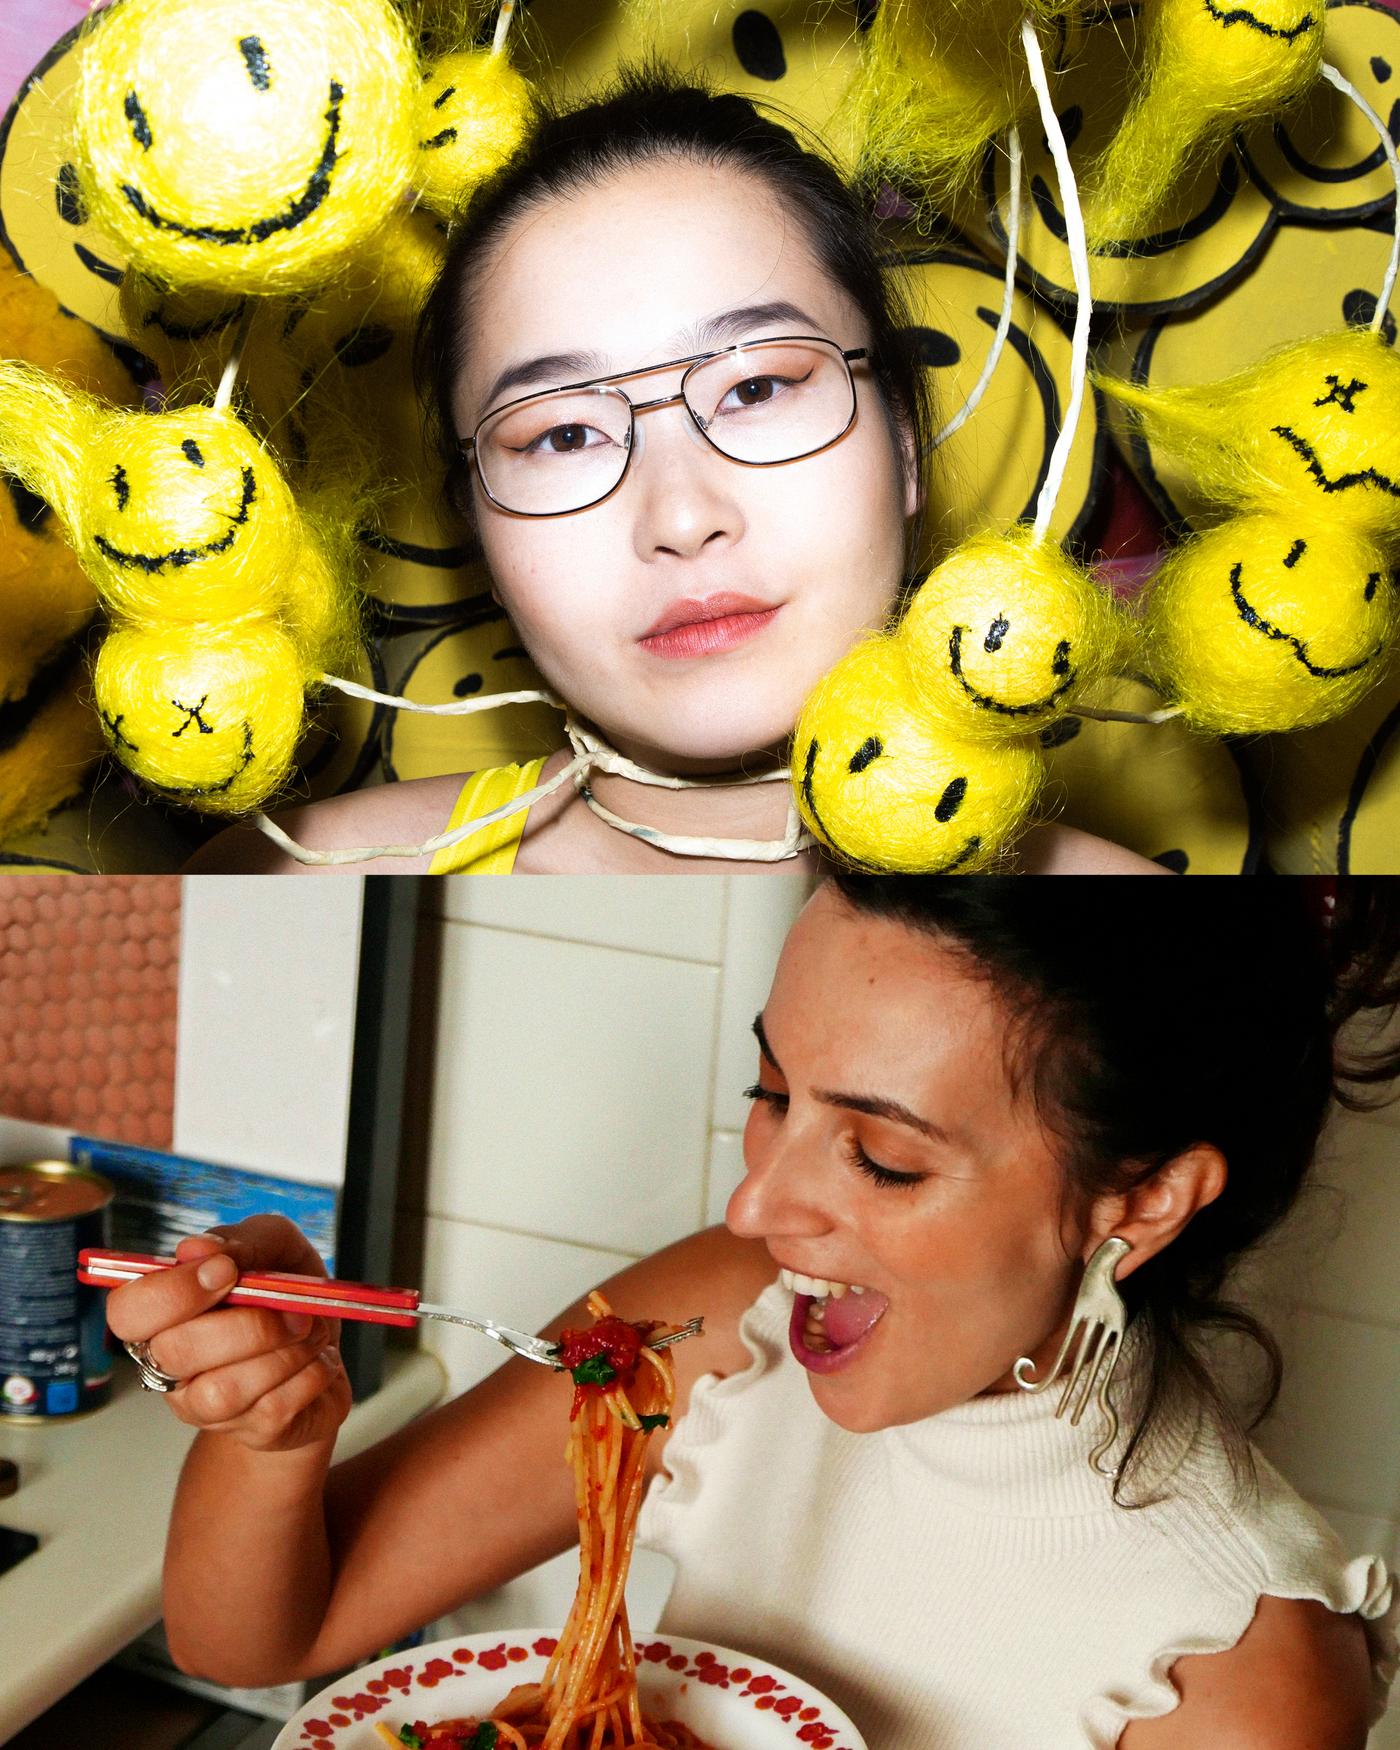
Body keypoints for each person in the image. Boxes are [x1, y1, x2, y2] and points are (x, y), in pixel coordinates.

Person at [110, 878, 1398, 1746]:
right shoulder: (719, 1326)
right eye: (773, 1089)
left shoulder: (1239, 1671)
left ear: (1143, 1197)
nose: (754, 1205)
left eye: (882, 1159)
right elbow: (258, 1636)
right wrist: (272, 1439)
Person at [187, 68, 1160, 876]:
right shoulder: (282, 881)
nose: (683, 515)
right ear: (475, 527)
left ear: (903, 447)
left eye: (755, 388)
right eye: (562, 435)